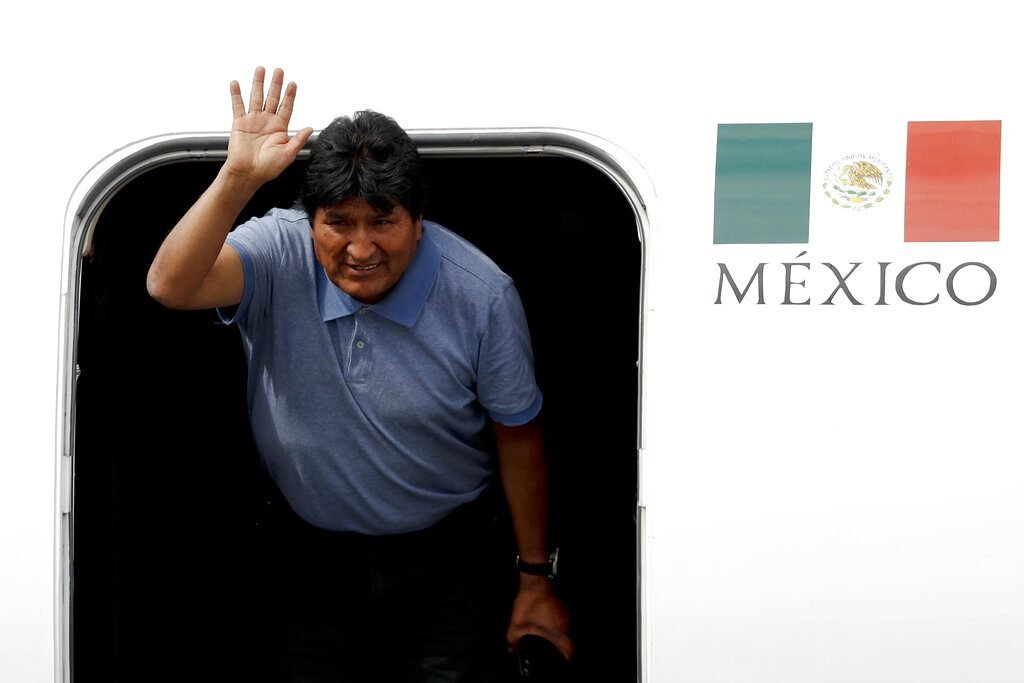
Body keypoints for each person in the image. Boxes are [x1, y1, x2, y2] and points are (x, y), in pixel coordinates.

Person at [147, 66, 571, 682]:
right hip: (306, 558)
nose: (361, 248)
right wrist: (238, 177)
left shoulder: (482, 295)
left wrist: (534, 578)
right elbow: (169, 284)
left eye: (383, 222)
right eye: (338, 223)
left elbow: (519, 436)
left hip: (446, 559)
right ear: (308, 220)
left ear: (419, 221)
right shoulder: (278, 251)